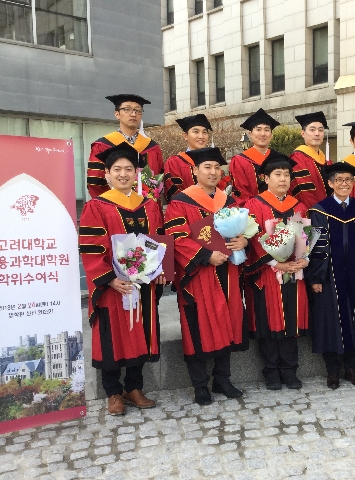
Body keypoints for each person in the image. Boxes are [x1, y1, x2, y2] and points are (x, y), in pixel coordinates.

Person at [79, 143, 165, 415]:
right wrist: (109, 279)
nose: (123, 174)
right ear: (107, 174)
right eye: (117, 169)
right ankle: (113, 392)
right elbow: (91, 246)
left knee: (139, 332)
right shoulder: (96, 206)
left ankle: (133, 387)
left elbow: (158, 241)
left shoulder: (149, 205)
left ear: (136, 173)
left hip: (143, 285)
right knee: (112, 336)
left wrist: (160, 269)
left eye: (129, 169)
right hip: (113, 288)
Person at [164, 147, 247, 405]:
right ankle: (200, 385)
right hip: (198, 275)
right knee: (197, 326)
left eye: (216, 168)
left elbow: (242, 230)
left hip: (228, 271)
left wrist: (243, 240)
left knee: (227, 322)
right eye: (207, 167)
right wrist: (205, 255)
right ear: (194, 171)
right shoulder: (180, 202)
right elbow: (176, 237)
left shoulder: (228, 201)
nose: (213, 172)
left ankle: (223, 379)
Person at [306, 162, 355, 389]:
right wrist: (316, 277)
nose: (344, 184)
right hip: (329, 277)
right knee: (329, 320)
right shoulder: (319, 211)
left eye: (348, 179)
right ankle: (332, 371)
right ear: (330, 183)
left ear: (353, 183)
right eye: (339, 180)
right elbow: (314, 246)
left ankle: (351, 368)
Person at [245, 153, 309, 390]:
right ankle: (271, 371)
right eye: (278, 174)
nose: (283, 179)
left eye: (287, 175)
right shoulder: (254, 205)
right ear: (266, 178)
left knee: (291, 320)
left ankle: (290, 370)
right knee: (268, 321)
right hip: (267, 274)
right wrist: (275, 263)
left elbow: (305, 238)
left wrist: (304, 259)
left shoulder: (299, 206)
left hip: (294, 273)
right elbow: (253, 240)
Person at [87, 94, 164, 199]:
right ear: (117, 114)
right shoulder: (102, 146)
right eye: (127, 109)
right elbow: (95, 183)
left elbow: (159, 181)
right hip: (113, 205)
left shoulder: (153, 147)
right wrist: (112, 203)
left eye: (138, 110)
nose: (133, 114)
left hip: (147, 206)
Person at [230, 108, 281, 206]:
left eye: (267, 130)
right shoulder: (240, 161)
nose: (263, 134)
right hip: (252, 211)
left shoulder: (278, 158)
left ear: (271, 134)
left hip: (279, 209)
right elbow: (242, 195)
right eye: (258, 129)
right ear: (250, 134)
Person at [164, 114, 213, 202]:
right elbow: (174, 194)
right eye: (196, 132)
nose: (201, 136)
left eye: (204, 132)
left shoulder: (214, 161)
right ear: (185, 136)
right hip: (187, 209)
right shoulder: (175, 162)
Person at [289, 111, 333, 208]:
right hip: (310, 212)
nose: (317, 134)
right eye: (312, 130)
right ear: (303, 133)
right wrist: (319, 211)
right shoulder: (297, 158)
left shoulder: (326, 160)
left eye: (321, 130)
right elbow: (304, 192)